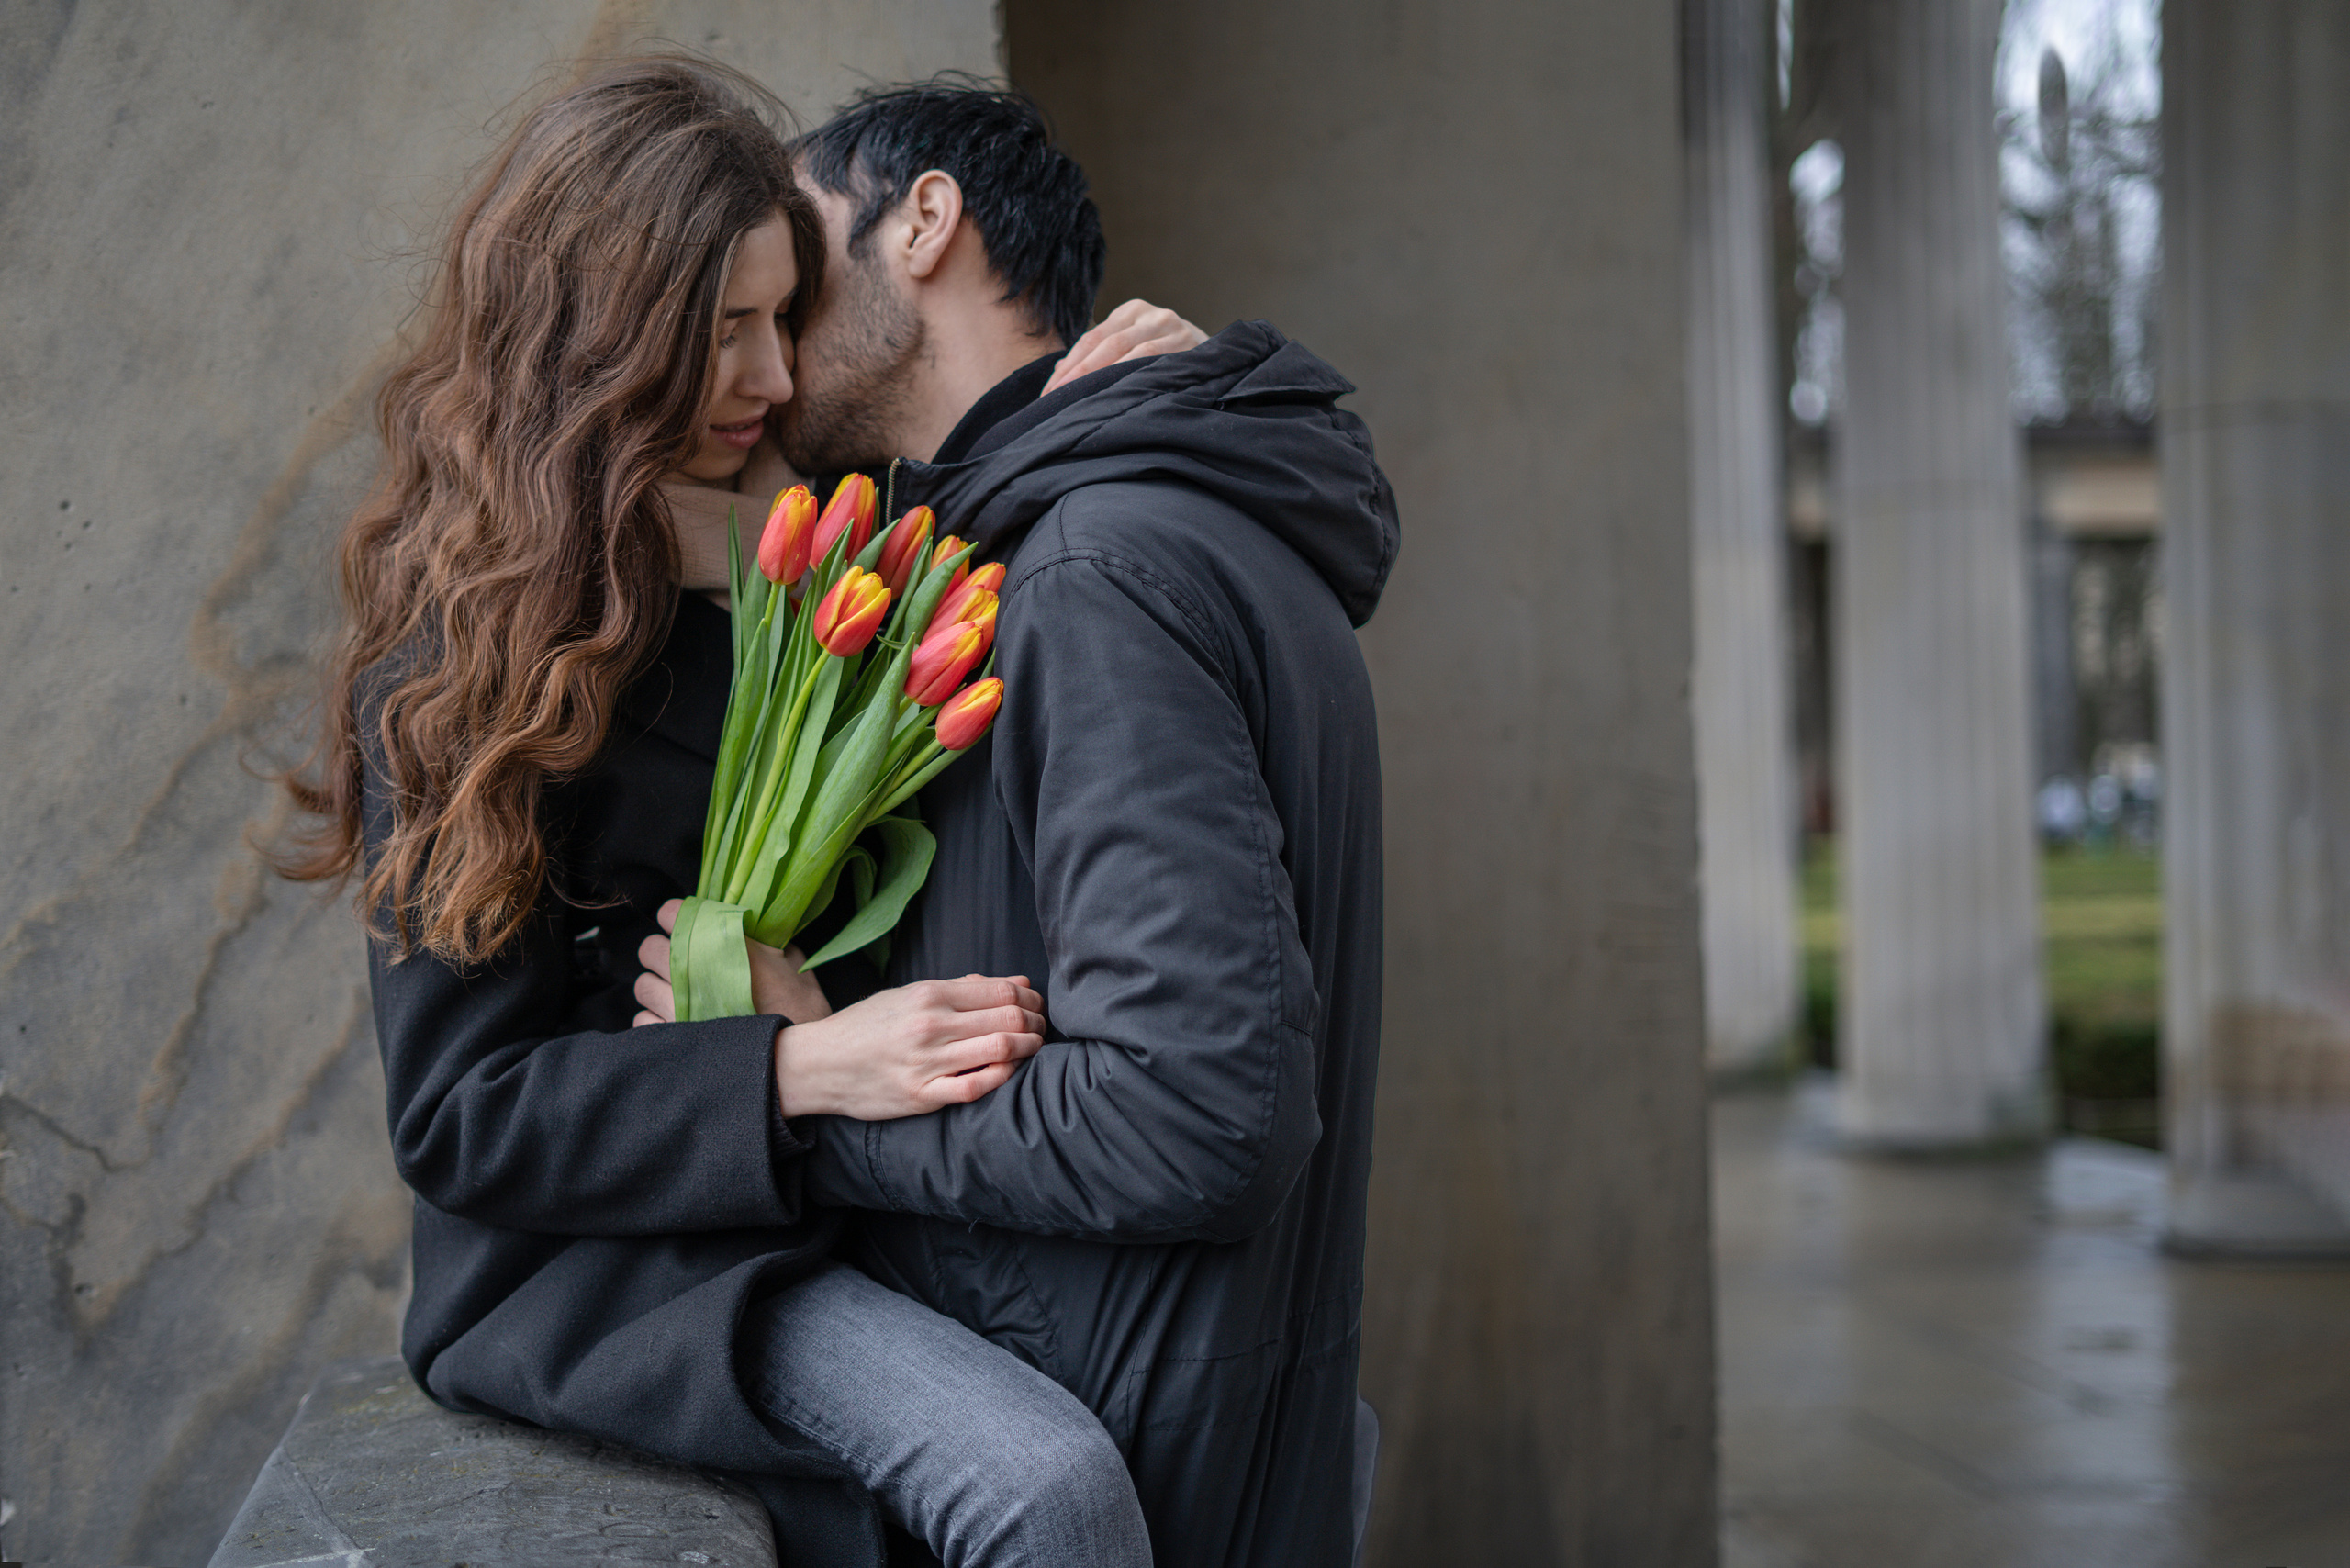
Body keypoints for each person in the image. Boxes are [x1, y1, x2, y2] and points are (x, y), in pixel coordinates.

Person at [278, 56, 1204, 1568]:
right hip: (624, 1275)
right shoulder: (457, 665)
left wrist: (1093, 407)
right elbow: (460, 1120)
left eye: (781, 318)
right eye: (719, 332)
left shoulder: (817, 547)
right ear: (595, 337)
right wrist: (793, 1065)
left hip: (848, 1190)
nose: (773, 378)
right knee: (1046, 1489)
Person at [641, 81, 1399, 1567]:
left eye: (799, 255)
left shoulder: (1092, 575)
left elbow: (1202, 1115)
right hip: (1192, 1415)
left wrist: (820, 1099)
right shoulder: (1151, 518)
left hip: (1119, 1444)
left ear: (925, 219)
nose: (774, 339)